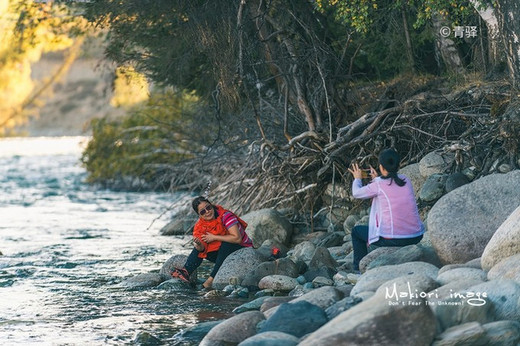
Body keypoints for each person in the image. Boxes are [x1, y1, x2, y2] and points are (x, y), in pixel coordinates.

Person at [347, 148, 425, 273]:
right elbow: (389, 184)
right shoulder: (406, 180)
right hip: (416, 236)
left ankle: (358, 269)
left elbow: (356, 193)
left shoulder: (378, 185)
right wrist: (377, 178)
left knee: (356, 232)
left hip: (394, 239)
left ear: (381, 167)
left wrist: (357, 178)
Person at [171, 196, 253, 289]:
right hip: (223, 254)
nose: (207, 212)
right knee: (199, 249)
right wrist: (198, 245)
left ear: (211, 205)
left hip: (242, 249)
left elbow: (237, 238)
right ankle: (186, 272)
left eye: (208, 207)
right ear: (199, 215)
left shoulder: (226, 216)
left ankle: (210, 280)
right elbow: (202, 249)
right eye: (203, 211)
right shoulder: (201, 225)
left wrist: (214, 237)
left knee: (225, 244)